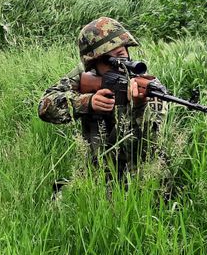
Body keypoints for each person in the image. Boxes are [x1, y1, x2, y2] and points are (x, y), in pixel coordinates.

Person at [38, 17, 166, 178]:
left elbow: (151, 145)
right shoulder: (84, 76)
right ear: (93, 64)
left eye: (121, 54)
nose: (118, 64)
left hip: (140, 176)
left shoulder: (146, 87)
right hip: (96, 173)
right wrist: (87, 102)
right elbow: (45, 107)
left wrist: (140, 107)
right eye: (109, 60)